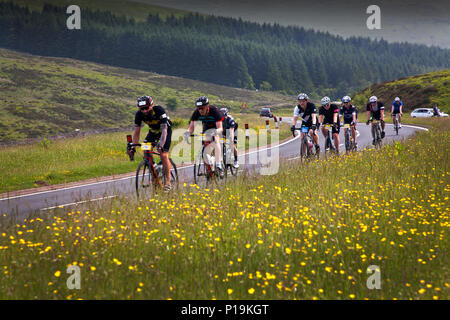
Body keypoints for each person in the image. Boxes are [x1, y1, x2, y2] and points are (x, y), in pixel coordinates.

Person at [130, 95, 173, 191]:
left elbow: (164, 130)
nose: (144, 111)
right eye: (142, 109)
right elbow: (137, 132)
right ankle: (154, 168)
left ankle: (168, 182)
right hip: (153, 132)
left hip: (165, 131)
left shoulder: (159, 110)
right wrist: (133, 147)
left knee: (163, 154)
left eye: (146, 108)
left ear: (151, 105)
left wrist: (161, 145)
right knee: (146, 150)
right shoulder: (139, 114)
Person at [185, 96, 225, 178]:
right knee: (204, 144)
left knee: (216, 139)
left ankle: (219, 166)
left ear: (207, 107)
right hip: (207, 126)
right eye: (198, 108)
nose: (200, 110)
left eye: (202, 108)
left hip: (217, 126)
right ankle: (209, 165)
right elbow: (191, 128)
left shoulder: (215, 111)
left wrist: (215, 132)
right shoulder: (196, 113)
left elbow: (220, 128)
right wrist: (187, 133)